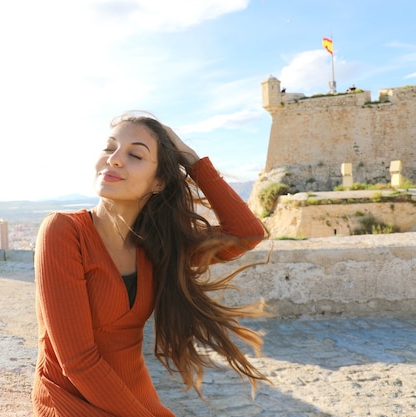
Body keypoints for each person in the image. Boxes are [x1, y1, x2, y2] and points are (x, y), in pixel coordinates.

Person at [32, 112, 269, 416]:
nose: (114, 159)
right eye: (109, 148)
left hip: (136, 399)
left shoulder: (157, 246)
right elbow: (78, 362)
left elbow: (246, 234)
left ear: (158, 182)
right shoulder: (63, 231)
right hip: (71, 402)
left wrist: (193, 161)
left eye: (135, 154)